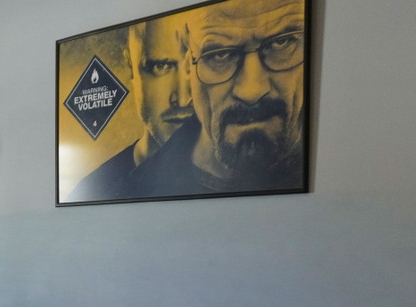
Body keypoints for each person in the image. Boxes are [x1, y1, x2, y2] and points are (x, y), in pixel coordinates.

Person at [128, 0, 307, 197]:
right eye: (220, 55)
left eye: (281, 43)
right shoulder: (134, 190)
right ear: (188, 62)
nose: (252, 91)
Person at [67, 15, 194, 202]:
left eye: (197, 63)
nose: (183, 100)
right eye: (161, 66)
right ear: (130, 67)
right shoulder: (93, 190)